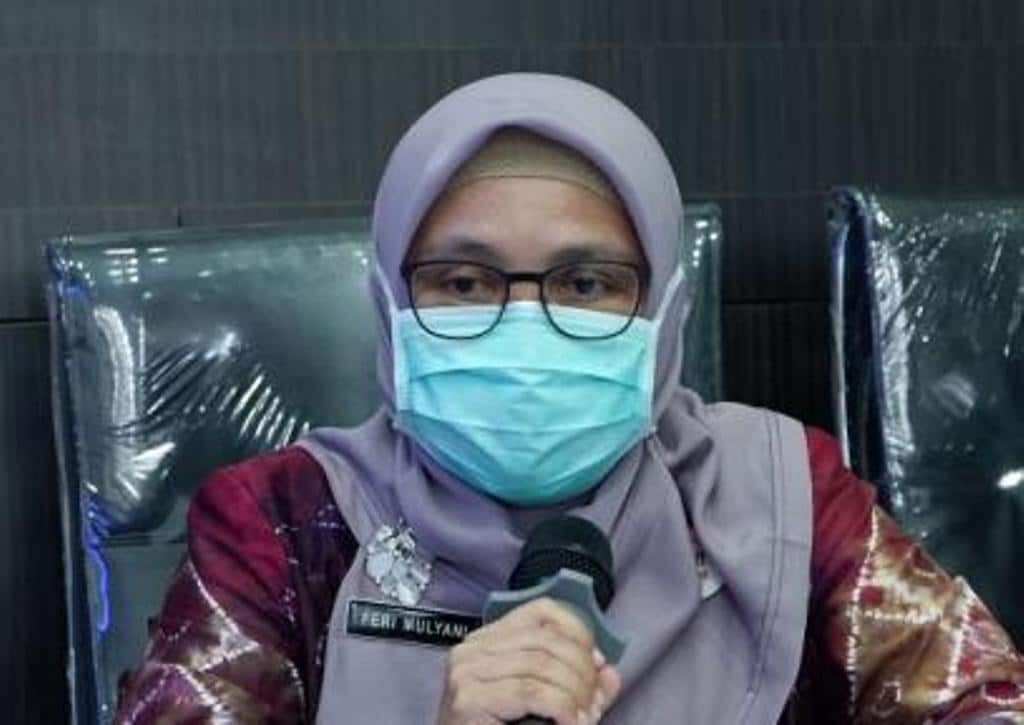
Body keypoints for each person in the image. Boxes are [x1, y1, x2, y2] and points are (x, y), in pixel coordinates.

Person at [115, 73, 1024, 724]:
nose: (526, 327)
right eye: (464, 282)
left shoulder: (784, 495)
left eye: (586, 283)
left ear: (661, 311)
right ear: (391, 303)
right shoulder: (280, 522)